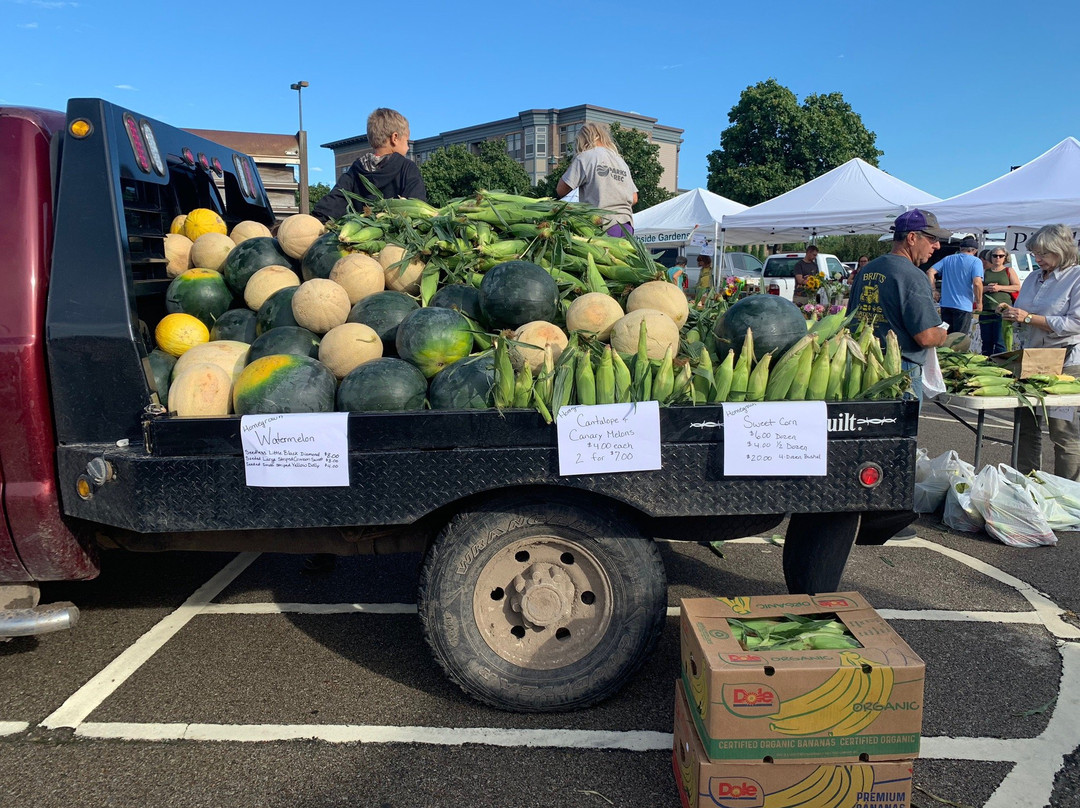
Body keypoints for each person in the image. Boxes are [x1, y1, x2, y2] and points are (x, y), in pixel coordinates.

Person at [998, 224, 1080, 480]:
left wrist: (1030, 318)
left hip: (1064, 363)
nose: (1038, 258)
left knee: (1063, 432)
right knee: (1026, 428)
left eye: (1043, 253)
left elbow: (1075, 322)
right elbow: (1024, 312)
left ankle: (1067, 492)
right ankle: (1026, 484)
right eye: (1035, 253)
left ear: (1061, 250)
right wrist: (1011, 313)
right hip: (1031, 359)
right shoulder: (1033, 277)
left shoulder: (1076, 278)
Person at [846, 209, 950, 403]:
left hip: (862, 365)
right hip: (899, 372)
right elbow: (926, 337)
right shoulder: (913, 275)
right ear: (912, 237)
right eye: (932, 238)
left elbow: (851, 318)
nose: (937, 246)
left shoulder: (867, 269)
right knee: (900, 431)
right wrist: (943, 334)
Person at [312, 108, 427, 223]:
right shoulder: (407, 169)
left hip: (358, 239)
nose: (407, 148)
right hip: (397, 240)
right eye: (407, 141)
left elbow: (329, 207)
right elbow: (417, 211)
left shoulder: (355, 171)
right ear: (395, 138)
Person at [556, 122, 638, 237]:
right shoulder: (621, 162)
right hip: (627, 226)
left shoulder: (585, 157)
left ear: (583, 139)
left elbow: (561, 190)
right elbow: (634, 198)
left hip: (601, 223)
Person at [927, 236, 983, 335]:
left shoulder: (948, 259)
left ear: (960, 249)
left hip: (946, 305)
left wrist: (933, 290)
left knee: (946, 336)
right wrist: (979, 302)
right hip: (963, 306)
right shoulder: (976, 261)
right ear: (974, 251)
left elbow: (930, 271)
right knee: (959, 340)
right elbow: (977, 283)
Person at [979, 247, 1021, 356]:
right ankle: (985, 363)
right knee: (986, 341)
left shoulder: (1008, 271)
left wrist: (1000, 288)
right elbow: (977, 289)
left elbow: (1017, 287)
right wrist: (986, 289)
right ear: (990, 257)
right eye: (995, 255)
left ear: (1005, 258)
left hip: (1003, 310)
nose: (997, 258)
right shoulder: (985, 271)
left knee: (1000, 341)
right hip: (986, 310)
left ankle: (1001, 365)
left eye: (1001, 256)